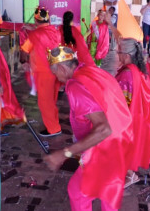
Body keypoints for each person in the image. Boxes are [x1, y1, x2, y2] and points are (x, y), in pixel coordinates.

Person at [44, 46, 133, 211]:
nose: (56, 77)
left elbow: (103, 129)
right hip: (121, 140)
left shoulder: (76, 86)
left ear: (63, 68)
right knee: (108, 192)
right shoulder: (90, 70)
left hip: (104, 148)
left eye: (55, 72)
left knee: (78, 191)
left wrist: (65, 153)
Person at [114, 38, 150, 187]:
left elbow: (121, 102)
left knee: (121, 147)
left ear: (127, 55)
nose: (117, 54)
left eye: (119, 52)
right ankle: (128, 174)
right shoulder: (139, 69)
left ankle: (129, 175)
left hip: (129, 118)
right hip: (140, 116)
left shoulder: (127, 74)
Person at [21, 6, 62, 137]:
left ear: (35, 20)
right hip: (57, 70)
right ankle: (53, 123)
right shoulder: (56, 32)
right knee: (52, 99)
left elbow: (24, 51)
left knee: (45, 102)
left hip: (43, 72)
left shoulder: (34, 35)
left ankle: (54, 129)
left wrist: (24, 62)